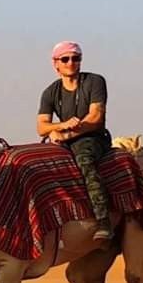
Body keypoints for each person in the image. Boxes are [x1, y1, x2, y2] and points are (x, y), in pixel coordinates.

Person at [36, 41, 114, 241]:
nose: (71, 62)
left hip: (93, 138)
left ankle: (103, 220)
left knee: (84, 161)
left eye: (75, 58)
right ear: (56, 64)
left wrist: (67, 133)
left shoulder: (95, 82)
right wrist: (60, 127)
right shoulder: (50, 92)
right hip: (64, 139)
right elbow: (42, 127)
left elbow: (96, 118)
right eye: (65, 59)